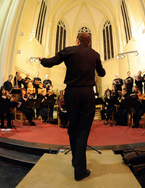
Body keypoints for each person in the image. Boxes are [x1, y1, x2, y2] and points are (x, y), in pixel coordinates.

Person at [39, 32, 106, 181]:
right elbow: (102, 73)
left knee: (73, 128)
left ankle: (76, 162)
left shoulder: (70, 50)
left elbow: (53, 61)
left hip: (72, 93)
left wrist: (42, 60)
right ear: (89, 42)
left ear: (77, 40)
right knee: (83, 131)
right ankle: (80, 170)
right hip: (88, 94)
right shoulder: (95, 54)